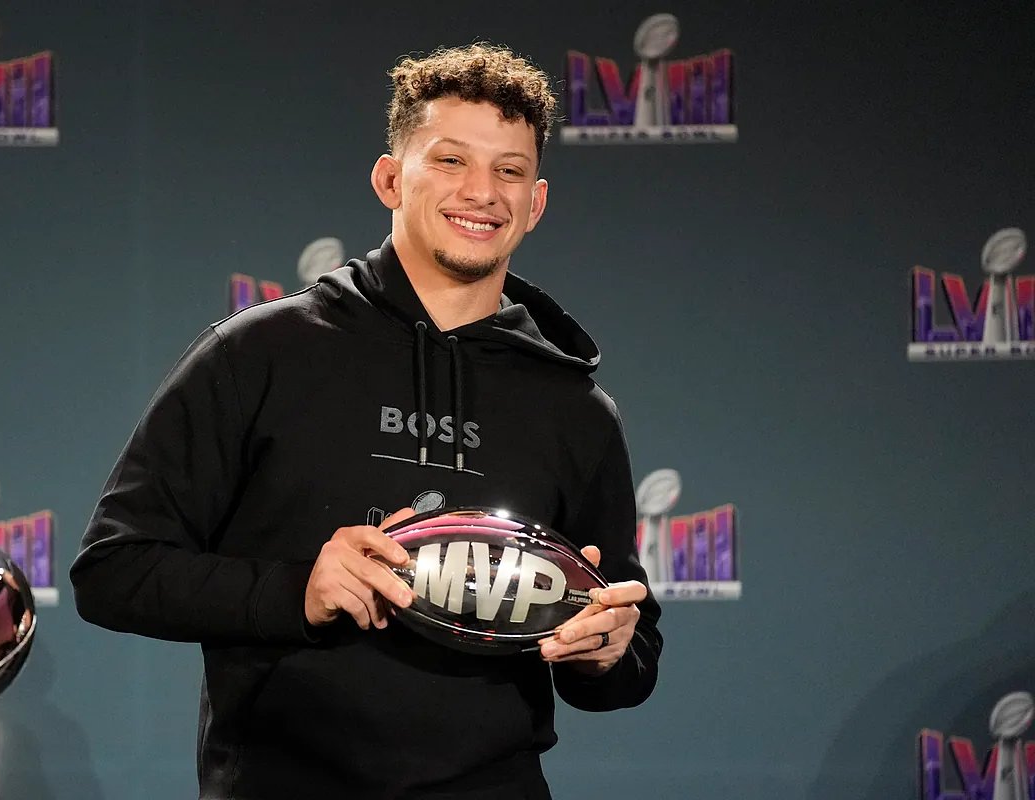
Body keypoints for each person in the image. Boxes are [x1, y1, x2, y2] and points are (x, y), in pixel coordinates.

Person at [71, 42, 662, 800]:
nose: (482, 192)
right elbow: (113, 572)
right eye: (450, 160)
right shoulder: (260, 353)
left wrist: (606, 649)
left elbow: (630, 657)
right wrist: (299, 593)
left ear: (536, 202)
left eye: (509, 171)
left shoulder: (575, 408)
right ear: (390, 178)